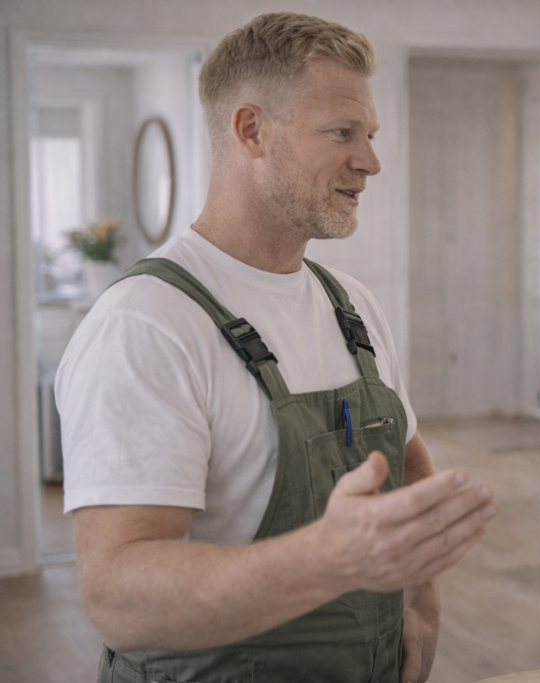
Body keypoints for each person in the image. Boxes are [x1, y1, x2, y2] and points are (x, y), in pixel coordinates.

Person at [56, 12, 496, 683]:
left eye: (370, 135)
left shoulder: (351, 305)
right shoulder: (147, 323)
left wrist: (422, 603)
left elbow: (403, 455)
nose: (371, 162)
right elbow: (120, 595)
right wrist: (331, 557)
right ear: (251, 130)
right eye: (342, 133)